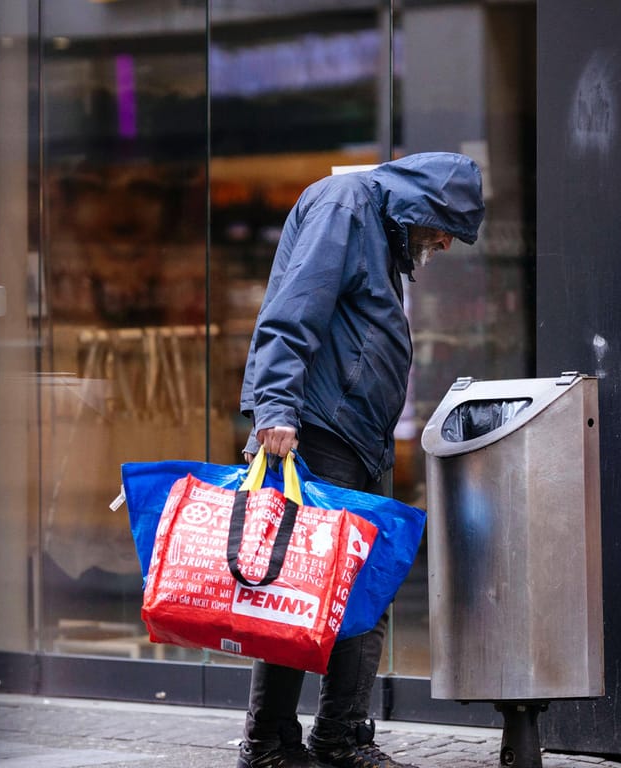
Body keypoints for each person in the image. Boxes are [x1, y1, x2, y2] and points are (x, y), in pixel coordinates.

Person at [237, 152, 485, 768]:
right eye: (446, 227)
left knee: (358, 590)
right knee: (301, 590)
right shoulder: (347, 206)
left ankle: (337, 736)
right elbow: (294, 309)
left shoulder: (377, 224)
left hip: (354, 433)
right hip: (317, 431)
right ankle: (271, 744)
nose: (446, 244)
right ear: (423, 207)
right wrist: (275, 409)